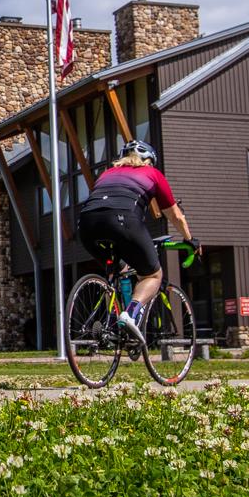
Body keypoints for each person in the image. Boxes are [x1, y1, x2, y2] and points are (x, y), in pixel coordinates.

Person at [76, 139, 197, 345]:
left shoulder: (107, 173)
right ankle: (130, 314)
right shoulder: (152, 174)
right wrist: (190, 239)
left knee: (117, 270)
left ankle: (112, 324)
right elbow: (175, 215)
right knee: (152, 274)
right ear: (149, 160)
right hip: (123, 220)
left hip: (86, 224)